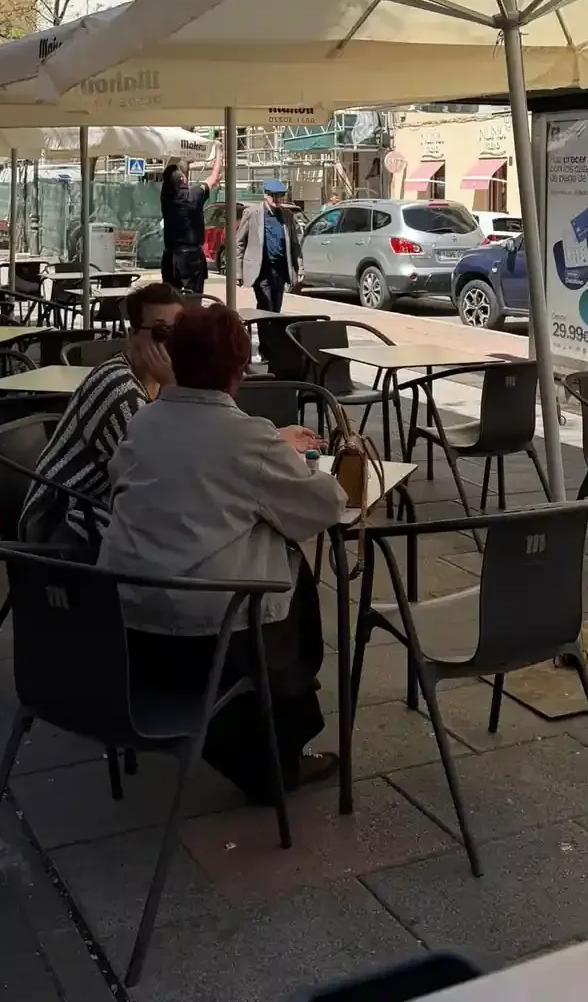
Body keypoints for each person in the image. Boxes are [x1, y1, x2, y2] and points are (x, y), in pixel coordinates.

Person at [100, 302, 344, 803]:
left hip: (127, 620)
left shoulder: (143, 423)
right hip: (210, 632)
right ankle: (276, 752)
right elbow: (325, 506)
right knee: (287, 571)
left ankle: (246, 739)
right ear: (238, 373)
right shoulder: (247, 437)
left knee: (248, 550)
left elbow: (120, 483)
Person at [18, 283, 186, 548]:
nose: (169, 342)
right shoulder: (120, 388)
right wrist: (176, 386)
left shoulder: (156, 383)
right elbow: (159, 469)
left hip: (100, 505)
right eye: (160, 332)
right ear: (132, 336)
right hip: (61, 522)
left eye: (178, 332)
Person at [160, 140, 223, 294]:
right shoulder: (195, 194)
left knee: (171, 297)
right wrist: (219, 153)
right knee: (193, 298)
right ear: (183, 180)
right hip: (192, 256)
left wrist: (177, 148)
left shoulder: (167, 197)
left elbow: (167, 173)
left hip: (171, 254)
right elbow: (214, 177)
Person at [237, 180, 302, 312]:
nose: (277, 199)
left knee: (276, 308)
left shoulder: (287, 216)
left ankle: (272, 332)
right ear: (265, 195)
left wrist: (300, 268)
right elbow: (239, 243)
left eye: (280, 195)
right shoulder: (252, 213)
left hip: (280, 270)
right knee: (265, 305)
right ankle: (265, 332)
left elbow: (295, 245)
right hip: (261, 270)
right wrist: (238, 272)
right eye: (274, 195)